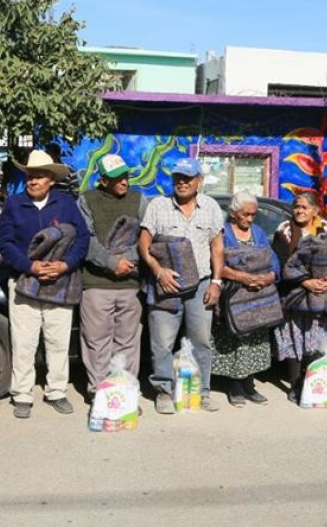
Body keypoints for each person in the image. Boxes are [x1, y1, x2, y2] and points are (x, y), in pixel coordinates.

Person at [0, 149, 91, 419]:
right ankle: (23, 394)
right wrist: (31, 266)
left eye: (39, 176)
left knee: (58, 341)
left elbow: (82, 239)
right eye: (30, 176)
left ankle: (57, 391)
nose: (33, 181)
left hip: (59, 282)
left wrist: (65, 264)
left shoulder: (66, 204)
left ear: (51, 179)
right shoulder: (14, 204)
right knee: (24, 342)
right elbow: (4, 243)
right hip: (25, 281)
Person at [139, 157, 225, 414]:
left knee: (201, 341)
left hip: (200, 284)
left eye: (188, 178)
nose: (182, 183)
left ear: (199, 181)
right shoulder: (158, 205)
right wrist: (158, 270)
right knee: (162, 342)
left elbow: (217, 247)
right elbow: (143, 244)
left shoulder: (210, 207)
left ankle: (202, 391)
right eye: (178, 177)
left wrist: (216, 282)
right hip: (166, 284)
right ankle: (164, 391)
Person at [77, 153, 147, 400]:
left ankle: (125, 390)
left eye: (126, 176)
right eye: (117, 178)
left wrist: (127, 260)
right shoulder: (87, 199)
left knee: (128, 343)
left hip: (130, 283)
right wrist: (110, 262)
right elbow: (85, 239)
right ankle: (99, 392)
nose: (124, 182)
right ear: (103, 180)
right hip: (96, 285)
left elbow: (146, 238)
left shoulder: (139, 200)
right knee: (96, 342)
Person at [214, 192, 279, 406]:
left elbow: (273, 259)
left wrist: (269, 276)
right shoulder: (223, 233)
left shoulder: (258, 232)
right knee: (236, 339)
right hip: (234, 298)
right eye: (246, 214)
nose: (250, 219)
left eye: (253, 214)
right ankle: (234, 386)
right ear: (233, 213)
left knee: (255, 341)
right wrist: (243, 276)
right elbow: (217, 264)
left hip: (257, 297)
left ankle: (249, 384)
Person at [273, 192, 327, 401]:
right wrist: (303, 281)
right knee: (292, 338)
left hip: (320, 294)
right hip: (292, 293)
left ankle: (311, 381)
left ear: (315, 211)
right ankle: (294, 384)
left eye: (304, 207)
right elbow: (282, 262)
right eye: (297, 207)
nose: (299, 211)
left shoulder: (326, 229)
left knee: (314, 337)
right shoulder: (284, 230)